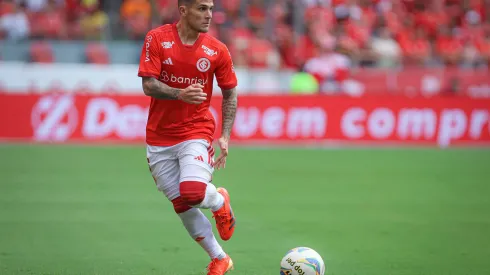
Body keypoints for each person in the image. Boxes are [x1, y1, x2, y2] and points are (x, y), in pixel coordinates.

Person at [137, 0, 238, 274]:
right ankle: (220, 258)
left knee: (192, 193)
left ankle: (218, 201)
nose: (209, 15)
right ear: (183, 10)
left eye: (210, 8)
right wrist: (179, 93)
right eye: (202, 9)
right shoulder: (157, 38)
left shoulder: (217, 49)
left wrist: (226, 135)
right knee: (182, 204)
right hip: (159, 137)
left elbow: (230, 92)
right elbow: (148, 84)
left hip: (196, 130)